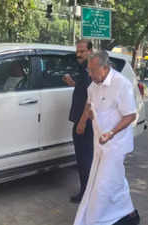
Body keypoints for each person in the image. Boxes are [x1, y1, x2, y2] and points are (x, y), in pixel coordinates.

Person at [73, 51, 140, 225]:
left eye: (92, 70)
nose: (90, 74)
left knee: (103, 184)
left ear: (105, 68)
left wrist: (111, 133)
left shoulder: (121, 84)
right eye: (88, 70)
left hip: (116, 144)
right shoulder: (93, 85)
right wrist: (81, 122)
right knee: (113, 180)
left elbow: (130, 115)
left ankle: (98, 219)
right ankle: (129, 213)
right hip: (100, 142)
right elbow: (89, 104)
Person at [62, 39, 94, 204]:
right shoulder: (83, 69)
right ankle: (86, 192)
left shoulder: (90, 69)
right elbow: (85, 90)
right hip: (81, 120)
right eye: (77, 51)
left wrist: (81, 123)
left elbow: (91, 99)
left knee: (84, 159)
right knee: (83, 158)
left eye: (82, 51)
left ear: (90, 51)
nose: (79, 54)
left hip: (85, 122)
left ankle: (86, 194)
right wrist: (73, 83)